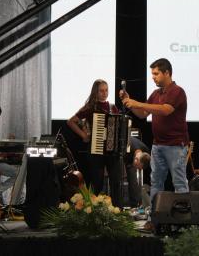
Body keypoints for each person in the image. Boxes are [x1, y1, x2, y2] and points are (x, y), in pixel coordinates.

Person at [120, 58, 189, 209]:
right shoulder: (155, 94)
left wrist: (137, 103)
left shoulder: (177, 91)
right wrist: (129, 101)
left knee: (179, 182)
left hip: (176, 146)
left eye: (156, 73)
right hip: (158, 145)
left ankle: (185, 220)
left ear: (167, 73)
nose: (153, 77)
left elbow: (165, 110)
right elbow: (143, 114)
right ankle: (154, 218)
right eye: (152, 74)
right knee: (156, 182)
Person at [67, 79, 122, 207]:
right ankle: (93, 210)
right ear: (95, 92)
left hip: (111, 151)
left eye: (106, 90)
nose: (104, 93)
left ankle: (117, 210)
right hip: (95, 150)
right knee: (97, 182)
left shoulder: (112, 107)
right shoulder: (90, 107)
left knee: (115, 181)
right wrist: (83, 135)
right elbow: (70, 121)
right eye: (101, 91)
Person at [125, 136, 151, 208]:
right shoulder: (129, 147)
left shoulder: (146, 151)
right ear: (136, 160)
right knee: (128, 178)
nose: (138, 169)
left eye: (139, 168)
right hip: (125, 153)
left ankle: (135, 205)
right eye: (137, 167)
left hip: (131, 157)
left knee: (133, 181)